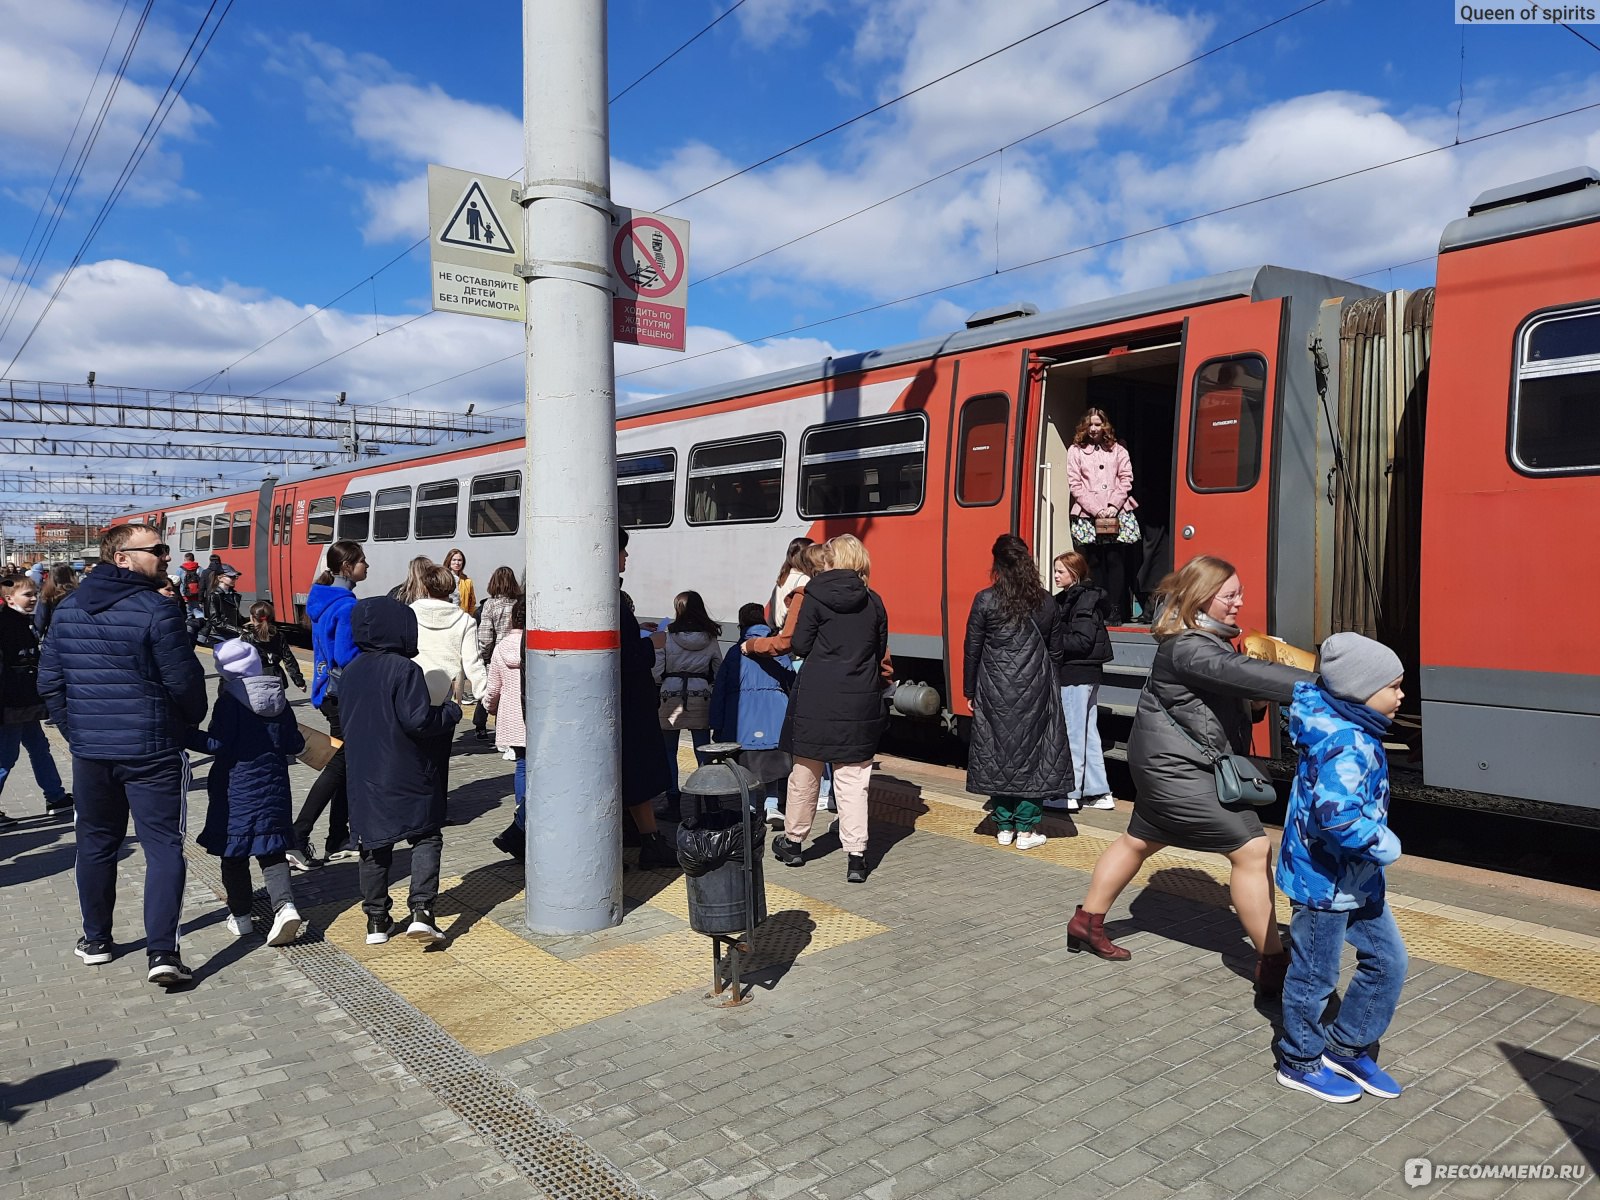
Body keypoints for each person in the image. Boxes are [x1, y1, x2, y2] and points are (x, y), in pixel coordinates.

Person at [1067, 556, 1314, 994]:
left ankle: (1086, 923)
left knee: (1139, 839)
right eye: (1230, 595)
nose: (1240, 602)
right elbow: (1234, 674)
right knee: (1252, 850)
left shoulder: (1208, 639)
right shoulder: (1190, 645)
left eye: (1240, 593)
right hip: (1176, 770)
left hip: (1173, 763)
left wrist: (1255, 702)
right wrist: (1320, 680)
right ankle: (1273, 964)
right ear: (1202, 598)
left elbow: (1222, 697)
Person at [37, 524, 207, 987]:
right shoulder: (158, 611)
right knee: (164, 846)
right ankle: (162, 954)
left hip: (92, 754)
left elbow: (49, 682)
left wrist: (78, 733)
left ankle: (96, 941)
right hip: (151, 751)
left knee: (95, 845)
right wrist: (185, 724)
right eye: (158, 551)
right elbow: (186, 684)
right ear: (123, 558)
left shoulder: (67, 610)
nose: (167, 558)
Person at [1274, 633, 1408, 1103]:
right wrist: (1383, 843)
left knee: (1389, 961)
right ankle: (1300, 1059)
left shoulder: (1354, 730)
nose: (1401, 695)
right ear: (1360, 690)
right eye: (1393, 686)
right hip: (1322, 883)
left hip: (1354, 879)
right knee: (1315, 977)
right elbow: (1337, 817)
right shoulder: (1347, 741)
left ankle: (1346, 1046)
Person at [340, 597, 461, 944]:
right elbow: (418, 720)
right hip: (406, 768)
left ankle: (376, 921)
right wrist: (450, 712)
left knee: (374, 845)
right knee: (426, 835)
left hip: (364, 774)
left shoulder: (351, 670)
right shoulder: (404, 669)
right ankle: (422, 911)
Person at [771, 534, 890, 884]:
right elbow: (879, 648)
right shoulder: (875, 601)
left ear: (829, 560)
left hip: (817, 697)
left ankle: (793, 843)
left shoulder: (813, 596)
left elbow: (801, 644)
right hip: (859, 697)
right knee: (853, 781)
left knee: (805, 773)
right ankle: (856, 856)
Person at [187, 639, 305, 947]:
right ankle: (285, 907)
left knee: (234, 854)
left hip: (236, 789)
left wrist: (183, 734)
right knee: (272, 851)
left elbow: (217, 744)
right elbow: (294, 744)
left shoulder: (229, 702)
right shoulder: (278, 697)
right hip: (274, 787)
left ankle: (241, 918)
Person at [964, 535, 1074, 850]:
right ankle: (1026, 829)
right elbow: (1056, 653)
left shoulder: (984, 600)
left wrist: (969, 689)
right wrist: (1050, 687)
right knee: (1035, 755)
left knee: (997, 753)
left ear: (997, 562)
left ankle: (1003, 826)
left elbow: (972, 649)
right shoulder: (1046, 600)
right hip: (1037, 689)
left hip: (995, 689)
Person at [287, 541, 366, 871]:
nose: (367, 566)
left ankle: (338, 838)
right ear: (347, 567)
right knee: (340, 763)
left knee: (343, 763)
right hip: (342, 693)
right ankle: (297, 835)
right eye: (363, 561)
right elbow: (347, 656)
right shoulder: (346, 605)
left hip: (325, 691)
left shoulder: (322, 599)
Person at [746, 542, 836, 812]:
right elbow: (794, 636)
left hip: (791, 659)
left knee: (802, 732)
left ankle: (784, 797)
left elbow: (782, 631)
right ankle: (824, 790)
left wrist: (755, 646)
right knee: (821, 732)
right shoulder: (805, 586)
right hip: (804, 660)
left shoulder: (782, 580)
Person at [617, 528, 676, 869]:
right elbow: (619, 653)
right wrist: (649, 645)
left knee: (635, 774)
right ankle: (649, 841)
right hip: (630, 701)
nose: (627, 557)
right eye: (623, 551)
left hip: (630, 701)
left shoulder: (611, 596)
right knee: (638, 771)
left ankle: (648, 838)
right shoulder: (609, 597)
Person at [712, 602, 795, 829]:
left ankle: (747, 809)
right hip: (775, 719)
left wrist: (716, 725)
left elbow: (719, 691)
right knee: (774, 766)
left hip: (741, 722)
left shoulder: (733, 653)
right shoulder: (778, 651)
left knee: (745, 767)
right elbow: (791, 682)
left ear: (741, 624)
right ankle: (771, 807)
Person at [410, 563, 487, 813]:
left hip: (410, 692)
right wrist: (486, 696)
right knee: (440, 756)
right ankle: (437, 810)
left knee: (414, 754)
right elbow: (473, 662)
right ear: (452, 587)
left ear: (425, 586)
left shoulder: (410, 612)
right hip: (442, 696)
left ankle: (415, 807)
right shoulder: (464, 620)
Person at [1047, 551, 1115, 813]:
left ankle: (1069, 793)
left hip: (1076, 674)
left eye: (1060, 571)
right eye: (1055, 570)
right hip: (1085, 673)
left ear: (1074, 574)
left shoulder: (1082, 601)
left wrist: (1052, 641)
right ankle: (1099, 792)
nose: (1055, 575)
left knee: (1073, 734)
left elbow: (1083, 641)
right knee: (1088, 734)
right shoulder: (1075, 599)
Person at [0, 578, 72, 823]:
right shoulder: (5, 624)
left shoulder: (23, 622)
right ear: (10, 598)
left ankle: (56, 796)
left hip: (26, 702)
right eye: (28, 595)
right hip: (11, 703)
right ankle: (55, 795)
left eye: (35, 594)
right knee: (6, 757)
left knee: (40, 748)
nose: (34, 599)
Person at [1066, 408, 1139, 625]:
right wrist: (1096, 508)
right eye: (1090, 424)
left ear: (1105, 426)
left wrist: (1112, 505)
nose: (1094, 429)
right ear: (1084, 427)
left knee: (1115, 559)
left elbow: (1126, 478)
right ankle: (1099, 608)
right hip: (1088, 514)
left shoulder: (1118, 450)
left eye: (1098, 424)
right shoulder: (1075, 451)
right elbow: (1075, 484)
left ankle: (1115, 610)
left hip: (1116, 512)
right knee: (1094, 561)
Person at [656, 590, 723, 812]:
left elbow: (656, 672)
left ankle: (673, 801)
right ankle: (707, 800)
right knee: (702, 750)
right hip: (700, 696)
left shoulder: (667, 636)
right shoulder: (710, 637)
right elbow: (719, 670)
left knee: (668, 751)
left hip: (670, 697)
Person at [483, 598, 526, 861]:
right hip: (536, 717)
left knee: (522, 764)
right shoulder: (537, 647)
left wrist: (489, 707)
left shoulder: (501, 648)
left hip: (512, 717)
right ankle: (522, 824)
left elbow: (493, 688)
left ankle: (520, 810)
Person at [473, 566, 521, 740]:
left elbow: (485, 636)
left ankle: (480, 725)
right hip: (518, 650)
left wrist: (484, 656)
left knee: (490, 690)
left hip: (498, 653)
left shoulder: (490, 605)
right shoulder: (519, 603)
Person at [243, 602, 305, 691]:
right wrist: (299, 681)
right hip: (277, 677)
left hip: (255, 679)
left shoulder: (247, 637)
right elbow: (288, 659)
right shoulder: (279, 635)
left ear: (252, 618)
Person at [35, 564, 76, 640]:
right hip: (75, 632)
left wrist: (36, 637)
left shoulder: (48, 594)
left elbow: (41, 618)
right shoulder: (78, 593)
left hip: (54, 633)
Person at [203, 566, 244, 644]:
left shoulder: (233, 594)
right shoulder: (214, 595)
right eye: (231, 577)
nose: (234, 579)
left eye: (235, 577)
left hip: (232, 634)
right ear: (220, 578)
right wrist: (238, 629)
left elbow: (233, 615)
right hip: (219, 636)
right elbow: (215, 621)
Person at [444, 548, 476, 616]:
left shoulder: (467, 581)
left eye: (459, 560)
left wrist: (469, 616)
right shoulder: (444, 579)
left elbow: (472, 602)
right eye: (454, 560)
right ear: (449, 561)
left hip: (463, 617)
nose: (457, 563)